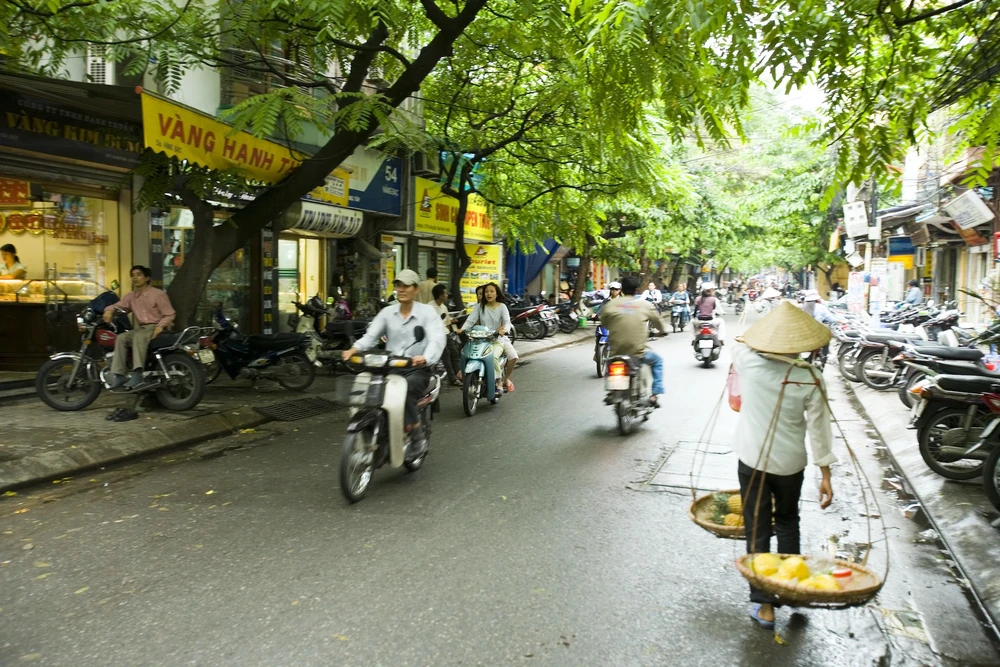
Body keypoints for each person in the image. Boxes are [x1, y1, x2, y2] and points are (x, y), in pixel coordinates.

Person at [733, 302, 835, 628]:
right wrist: (826, 474)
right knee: (788, 522)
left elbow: (742, 342)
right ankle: (789, 590)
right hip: (791, 464)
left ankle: (764, 607)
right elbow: (820, 430)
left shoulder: (748, 363)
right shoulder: (812, 377)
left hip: (753, 460)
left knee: (758, 529)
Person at [342, 269, 445, 455]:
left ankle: (416, 438)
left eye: (406, 286)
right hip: (390, 367)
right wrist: (354, 349)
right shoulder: (387, 313)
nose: (401, 289)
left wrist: (425, 357)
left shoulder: (427, 313)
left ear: (415, 289)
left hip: (417, 369)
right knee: (367, 389)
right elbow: (370, 337)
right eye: (399, 285)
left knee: (405, 391)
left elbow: (436, 339)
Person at [103, 265, 176, 389]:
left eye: (139, 275)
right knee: (121, 338)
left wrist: (160, 327)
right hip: (141, 328)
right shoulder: (131, 297)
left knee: (139, 338)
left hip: (155, 326)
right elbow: (119, 305)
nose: (135, 278)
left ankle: (137, 375)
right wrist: (109, 310)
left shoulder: (158, 294)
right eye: (133, 275)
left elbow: (170, 314)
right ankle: (120, 375)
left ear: (147, 278)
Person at [599, 277, 667, 406]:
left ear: (622, 290)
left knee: (611, 362)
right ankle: (654, 394)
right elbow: (659, 323)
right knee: (658, 361)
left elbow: (605, 323)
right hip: (638, 353)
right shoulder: (645, 305)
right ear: (636, 290)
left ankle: (612, 392)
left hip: (616, 351)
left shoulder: (611, 305)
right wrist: (662, 331)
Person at [461, 282, 518, 392]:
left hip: (498, 339)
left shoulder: (502, 307)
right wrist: (462, 329)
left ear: (497, 294)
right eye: (486, 292)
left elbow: (507, 322)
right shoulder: (479, 307)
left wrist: (504, 330)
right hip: (482, 339)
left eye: (492, 291)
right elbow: (470, 320)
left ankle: (503, 380)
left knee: (511, 357)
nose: (488, 294)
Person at [432, 283, 463, 386]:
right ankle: (452, 378)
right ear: (440, 295)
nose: (446, 295)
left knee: (454, 352)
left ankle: (459, 375)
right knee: (446, 354)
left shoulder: (444, 307)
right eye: (445, 293)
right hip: (435, 335)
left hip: (446, 333)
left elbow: (447, 323)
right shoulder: (430, 307)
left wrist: (453, 330)